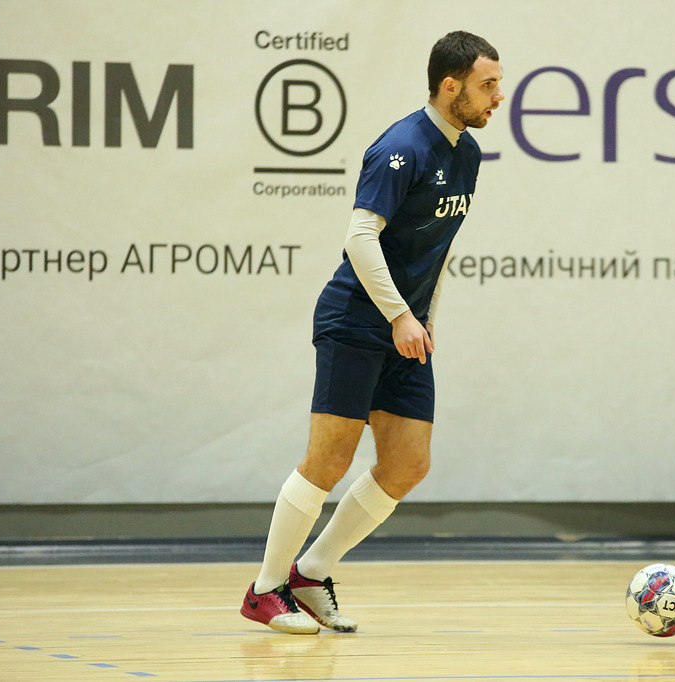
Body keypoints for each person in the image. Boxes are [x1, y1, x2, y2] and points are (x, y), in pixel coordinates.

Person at [240, 30, 504, 634]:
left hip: (405, 327)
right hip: (357, 320)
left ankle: (310, 574)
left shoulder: (467, 153)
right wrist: (399, 314)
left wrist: (426, 315)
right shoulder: (401, 146)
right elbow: (360, 238)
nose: (498, 97)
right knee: (329, 459)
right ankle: (264, 589)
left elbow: (437, 247)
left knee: (408, 463)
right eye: (487, 85)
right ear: (451, 86)